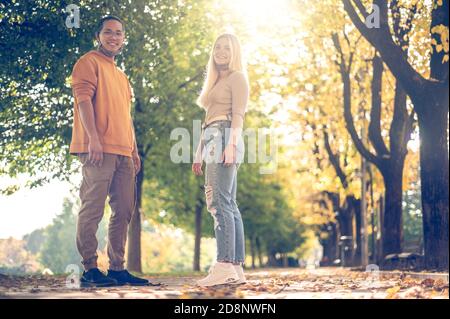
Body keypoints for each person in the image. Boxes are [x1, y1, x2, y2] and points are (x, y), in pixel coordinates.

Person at [69, 15, 149, 287]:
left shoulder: (122, 77)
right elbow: (83, 101)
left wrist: (134, 150)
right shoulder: (87, 63)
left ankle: (117, 268)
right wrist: (93, 138)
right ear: (98, 36)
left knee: (124, 209)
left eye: (118, 33)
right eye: (108, 32)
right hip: (98, 149)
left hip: (124, 152)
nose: (113, 37)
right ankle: (90, 269)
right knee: (92, 208)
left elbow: (126, 117)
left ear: (123, 39)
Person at [192, 33, 249, 287]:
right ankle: (235, 269)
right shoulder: (216, 82)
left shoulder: (238, 77)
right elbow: (208, 120)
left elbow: (238, 115)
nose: (221, 51)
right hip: (215, 135)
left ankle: (223, 264)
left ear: (234, 51)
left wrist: (231, 145)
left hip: (226, 135)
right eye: (217, 47)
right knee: (229, 203)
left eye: (227, 47)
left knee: (217, 201)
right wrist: (199, 152)